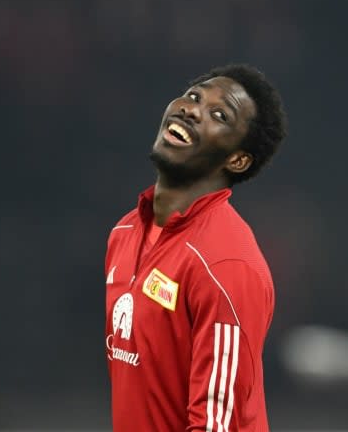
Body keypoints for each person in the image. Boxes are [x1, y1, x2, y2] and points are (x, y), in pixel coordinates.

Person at [104, 64, 287, 431]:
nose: (192, 109)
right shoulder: (124, 232)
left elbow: (215, 425)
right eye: (193, 96)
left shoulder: (226, 264)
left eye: (219, 115)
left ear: (237, 159)